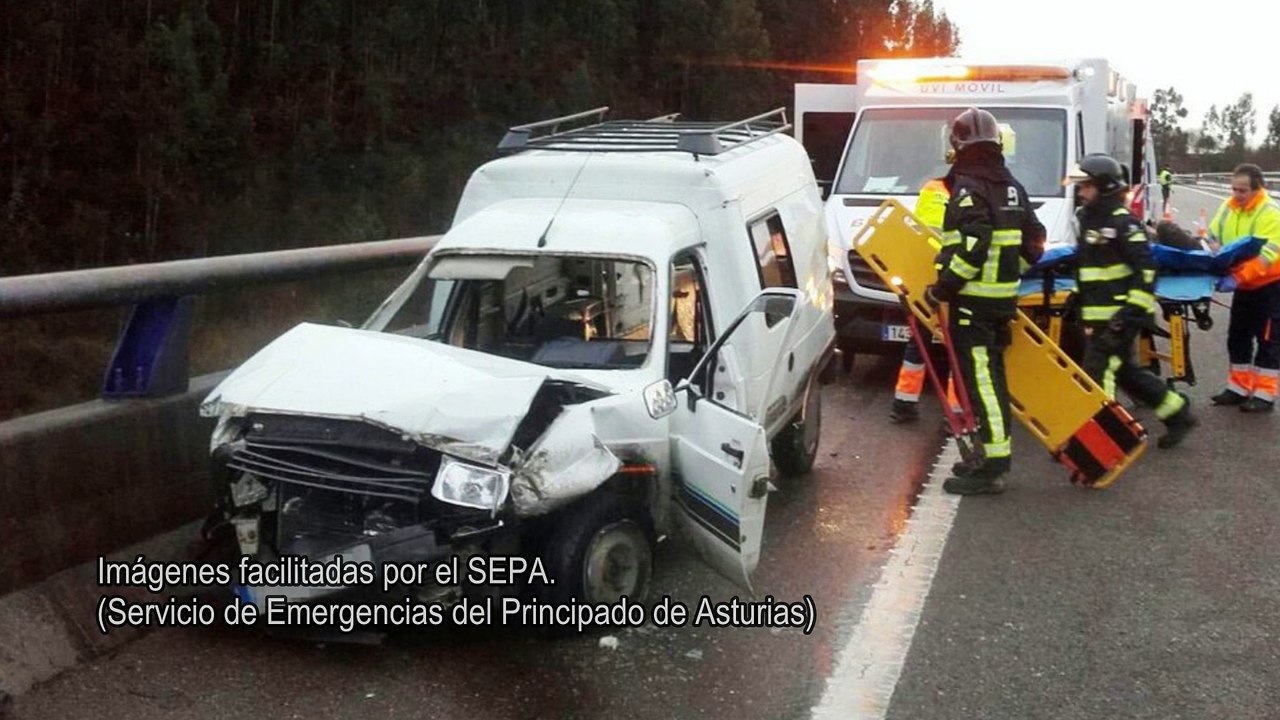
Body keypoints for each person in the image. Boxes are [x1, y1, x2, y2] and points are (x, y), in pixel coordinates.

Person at [924, 107, 1046, 495]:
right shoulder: (1011, 186)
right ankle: (985, 455)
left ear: (957, 145)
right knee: (990, 378)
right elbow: (1036, 240)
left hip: (972, 305)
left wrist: (942, 289)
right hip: (999, 301)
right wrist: (1008, 276)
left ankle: (993, 465)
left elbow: (972, 249)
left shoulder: (968, 188)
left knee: (983, 384)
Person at [1067, 154, 1199, 448]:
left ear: (1104, 186)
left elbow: (1147, 271)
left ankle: (1097, 443)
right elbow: (1093, 270)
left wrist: (1128, 315)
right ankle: (1177, 414)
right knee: (1127, 373)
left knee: (1095, 377)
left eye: (1087, 185)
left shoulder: (1124, 224)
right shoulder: (1091, 220)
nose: (1081, 191)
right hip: (1099, 317)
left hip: (1118, 319)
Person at [1209, 163, 1280, 412]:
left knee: (1268, 341)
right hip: (1243, 286)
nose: (1237, 195)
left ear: (1257, 188)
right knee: (1237, 337)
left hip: (1269, 287)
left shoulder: (1270, 213)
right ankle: (1238, 388)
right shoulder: (1228, 208)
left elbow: (1267, 257)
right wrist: (1214, 251)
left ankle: (1264, 394)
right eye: (1234, 189)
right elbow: (1213, 234)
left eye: (1243, 190)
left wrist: (1238, 278)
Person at [890, 168, 958, 423]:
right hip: (954, 280)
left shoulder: (931, 188)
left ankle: (904, 404)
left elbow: (917, 234)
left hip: (923, 278)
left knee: (918, 342)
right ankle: (956, 414)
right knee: (957, 347)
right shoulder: (973, 191)